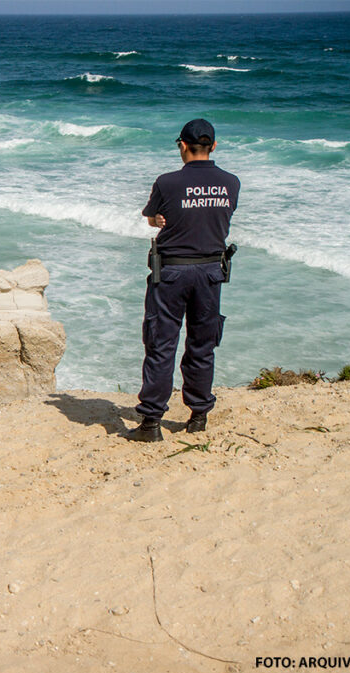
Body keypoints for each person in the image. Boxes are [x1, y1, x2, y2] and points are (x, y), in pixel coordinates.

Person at [127, 119, 240, 442]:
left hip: (172, 272)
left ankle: (151, 423)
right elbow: (217, 216)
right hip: (210, 271)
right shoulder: (231, 183)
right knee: (203, 343)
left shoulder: (167, 182)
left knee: (161, 343)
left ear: (183, 146)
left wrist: (155, 219)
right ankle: (199, 415)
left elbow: (153, 217)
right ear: (213, 146)